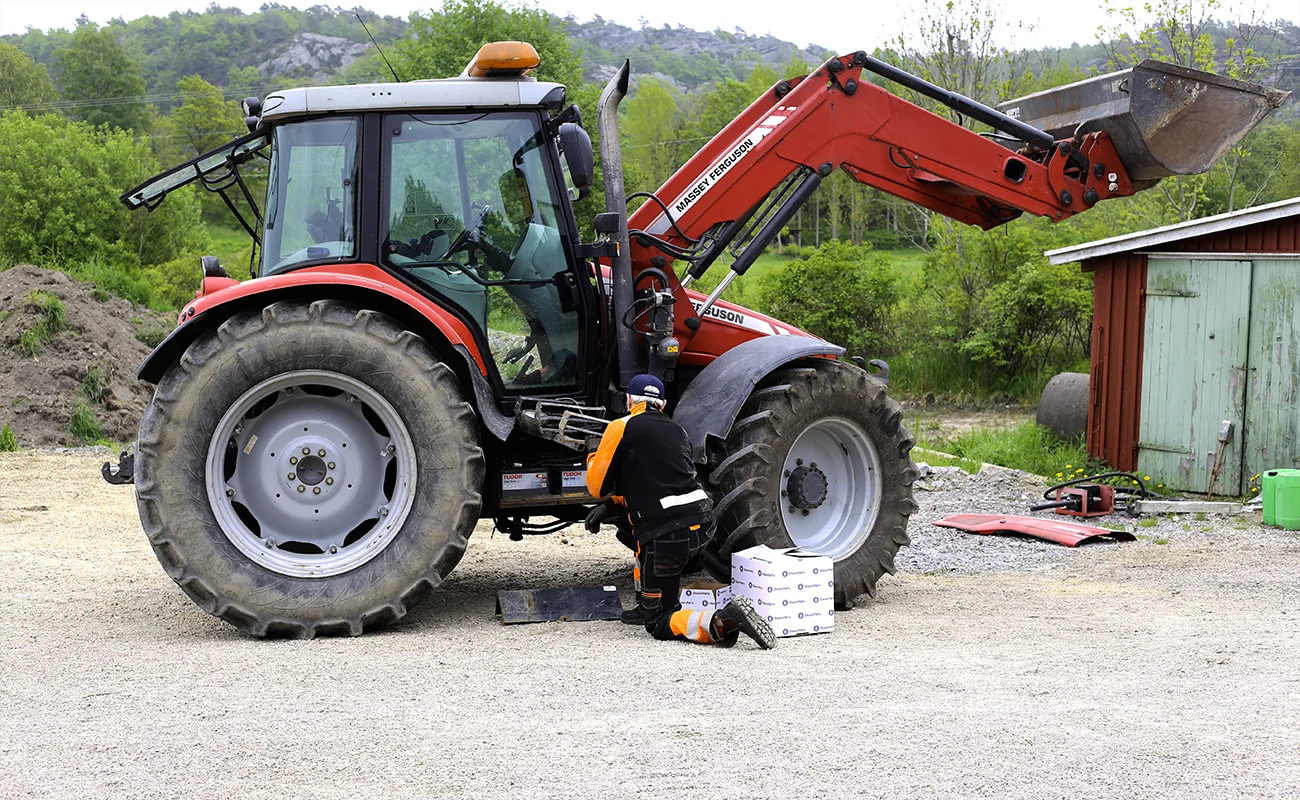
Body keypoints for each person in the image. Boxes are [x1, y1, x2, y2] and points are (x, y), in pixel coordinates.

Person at [584, 374, 776, 649]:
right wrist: (615, 503)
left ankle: (722, 620)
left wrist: (593, 454)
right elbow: (657, 480)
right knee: (646, 545)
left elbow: (596, 485)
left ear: (628, 400)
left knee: (660, 621)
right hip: (701, 525)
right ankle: (647, 602)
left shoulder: (621, 426)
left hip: (667, 535)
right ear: (662, 404)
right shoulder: (677, 430)